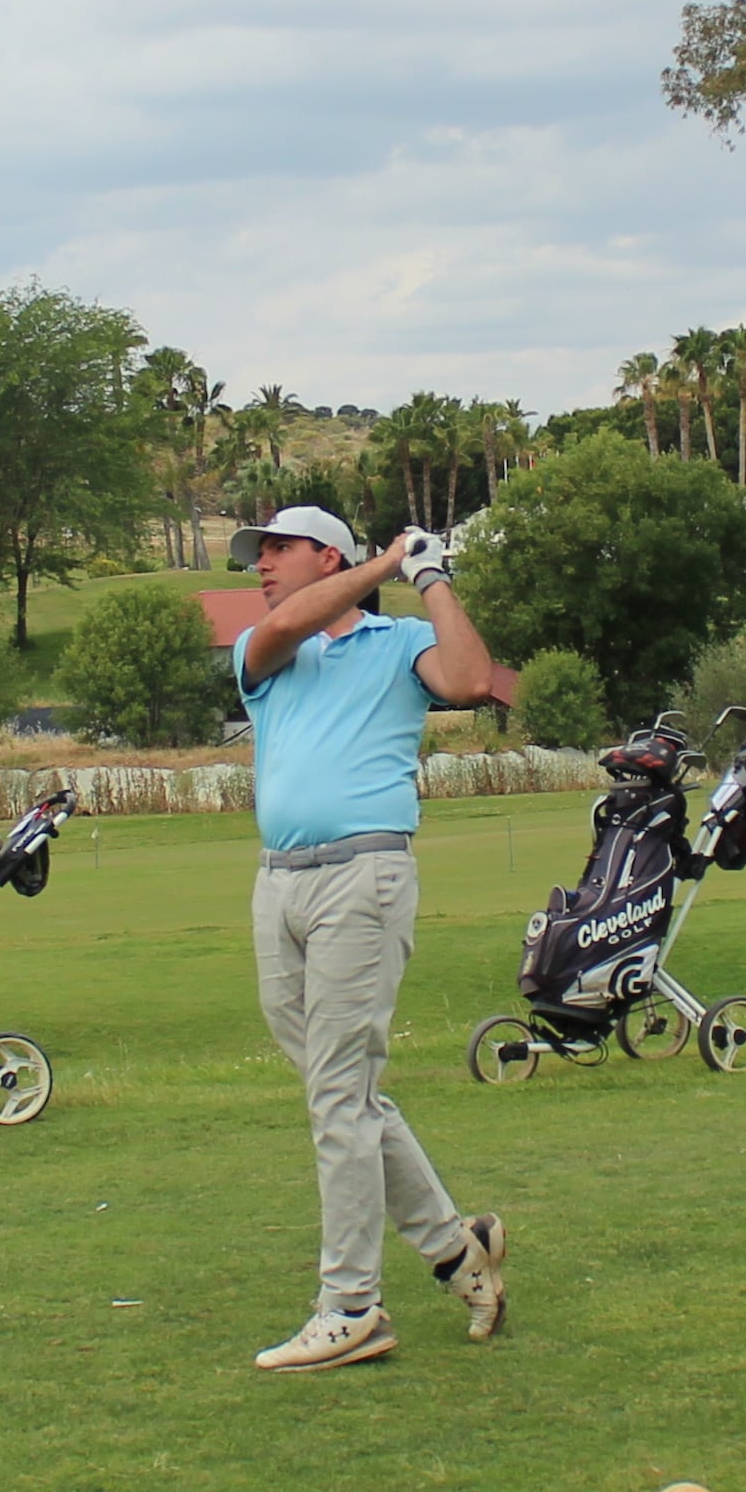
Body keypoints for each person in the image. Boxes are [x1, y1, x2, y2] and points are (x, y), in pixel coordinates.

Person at [223, 504, 521, 1372]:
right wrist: (391, 560)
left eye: (276, 550)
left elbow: (469, 680)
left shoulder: (394, 647)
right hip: (277, 881)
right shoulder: (266, 653)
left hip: (364, 876)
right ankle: (458, 1248)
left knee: (337, 1097)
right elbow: (283, 623)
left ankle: (350, 1303)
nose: (263, 566)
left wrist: (430, 578)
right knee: (340, 1088)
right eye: (259, 553)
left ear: (326, 554)